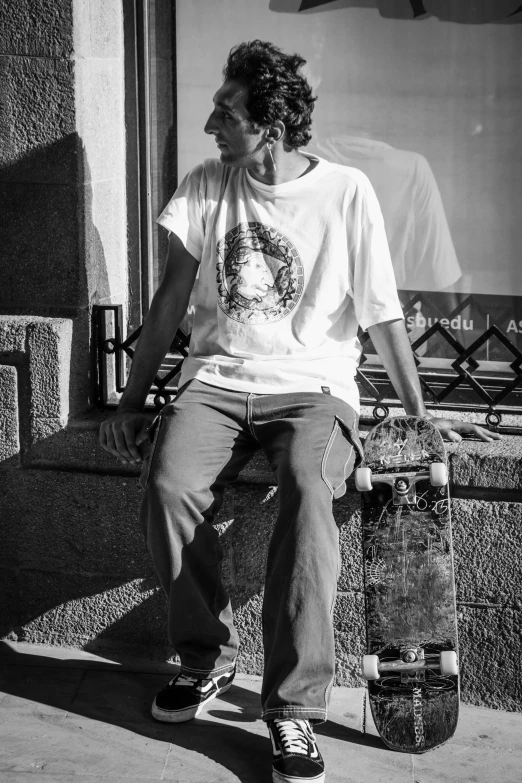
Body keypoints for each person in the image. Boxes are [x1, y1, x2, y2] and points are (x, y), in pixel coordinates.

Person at [99, 40, 499, 783]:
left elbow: (381, 316)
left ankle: (291, 707)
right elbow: (167, 304)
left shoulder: (347, 193)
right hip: (217, 380)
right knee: (167, 485)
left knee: (312, 490)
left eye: (229, 108)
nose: (213, 118)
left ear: (271, 124)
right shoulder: (205, 185)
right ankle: (207, 658)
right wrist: (129, 400)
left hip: (314, 386)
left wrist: (417, 416)